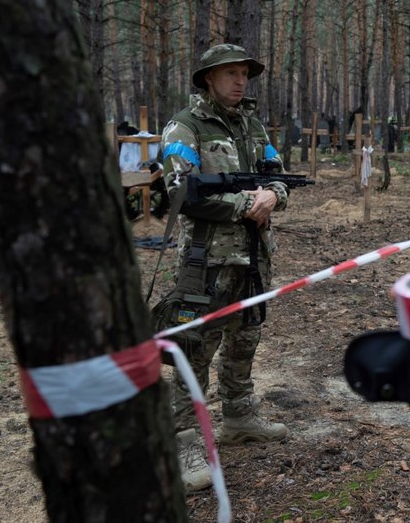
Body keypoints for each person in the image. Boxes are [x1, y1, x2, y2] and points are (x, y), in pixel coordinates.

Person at [161, 43, 289, 492]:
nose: (240, 81)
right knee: (195, 347)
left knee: (246, 335)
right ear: (208, 79)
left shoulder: (252, 125)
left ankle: (239, 415)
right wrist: (243, 204)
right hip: (205, 258)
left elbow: (277, 172)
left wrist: (273, 195)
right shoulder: (185, 126)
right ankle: (182, 441)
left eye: (244, 74)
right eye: (230, 73)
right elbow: (180, 190)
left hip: (254, 255)